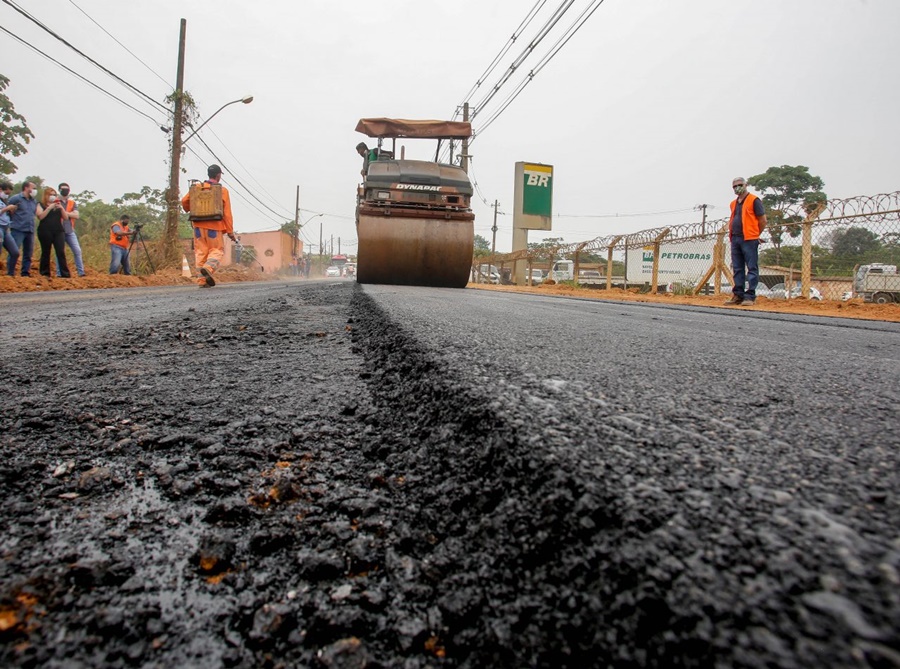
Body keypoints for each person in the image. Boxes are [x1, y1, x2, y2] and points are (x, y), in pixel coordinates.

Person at [181, 164, 236, 287]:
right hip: (214, 227)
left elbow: (184, 201)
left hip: (198, 228)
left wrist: (191, 208)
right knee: (216, 251)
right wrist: (230, 231)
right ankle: (208, 268)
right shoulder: (221, 190)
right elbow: (227, 213)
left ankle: (202, 281)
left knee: (201, 253)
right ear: (218, 175)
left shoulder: (197, 187)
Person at [726, 176, 767, 306]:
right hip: (735, 238)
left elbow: (762, 220)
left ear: (745, 185)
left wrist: (755, 234)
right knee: (737, 268)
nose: (737, 188)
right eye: (734, 186)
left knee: (752, 267)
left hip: (749, 239)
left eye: (739, 185)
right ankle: (738, 294)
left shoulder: (754, 200)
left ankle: (750, 296)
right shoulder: (733, 203)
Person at [36, 186, 71, 278]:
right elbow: (40, 216)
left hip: (58, 231)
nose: (52, 196)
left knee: (60, 251)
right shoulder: (40, 205)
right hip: (45, 231)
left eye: (54, 195)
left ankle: (65, 274)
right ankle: (45, 273)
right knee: (46, 252)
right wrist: (49, 208)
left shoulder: (58, 204)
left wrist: (61, 208)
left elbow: (66, 218)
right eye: (50, 195)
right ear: (46, 195)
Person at [5, 181, 39, 277]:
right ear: (26, 188)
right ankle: (10, 272)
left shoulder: (33, 201)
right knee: (14, 251)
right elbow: (7, 210)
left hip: (30, 229)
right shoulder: (16, 198)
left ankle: (25, 273)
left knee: (28, 253)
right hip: (18, 228)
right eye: (33, 188)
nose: (35, 190)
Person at [56, 182, 85, 277]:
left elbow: (76, 215)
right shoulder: (55, 201)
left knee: (77, 250)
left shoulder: (72, 203)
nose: (66, 191)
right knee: (59, 252)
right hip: (58, 230)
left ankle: (81, 272)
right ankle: (59, 273)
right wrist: (69, 213)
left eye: (67, 189)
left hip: (70, 230)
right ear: (59, 190)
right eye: (63, 189)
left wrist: (64, 213)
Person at [0, 181, 20, 274]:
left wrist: (11, 211)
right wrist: (6, 209)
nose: (7, 195)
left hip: (5, 227)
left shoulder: (4, 201)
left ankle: (10, 274)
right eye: (6, 193)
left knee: (15, 252)